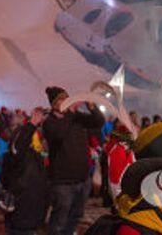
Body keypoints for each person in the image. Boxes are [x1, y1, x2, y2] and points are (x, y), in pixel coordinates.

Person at [43, 85, 106, 235]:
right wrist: (70, 113)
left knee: (75, 217)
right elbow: (58, 134)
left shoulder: (77, 118)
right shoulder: (50, 121)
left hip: (83, 180)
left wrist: (92, 107)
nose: (67, 101)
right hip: (63, 182)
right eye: (63, 99)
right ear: (55, 104)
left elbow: (98, 122)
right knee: (59, 220)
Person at [2, 107, 50, 235]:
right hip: (20, 216)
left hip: (32, 216)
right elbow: (20, 145)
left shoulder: (35, 156)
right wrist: (31, 124)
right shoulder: (16, 156)